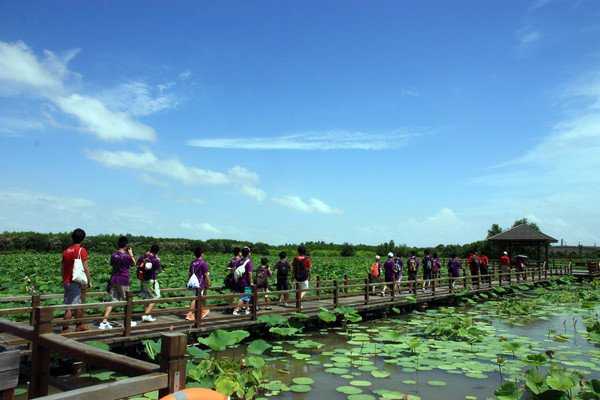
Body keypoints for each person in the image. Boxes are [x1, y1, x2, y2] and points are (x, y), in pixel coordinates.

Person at [100, 236, 135, 330]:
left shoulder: (113, 255)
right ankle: (128, 321)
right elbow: (133, 264)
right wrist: (131, 254)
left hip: (114, 279)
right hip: (123, 279)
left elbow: (112, 265)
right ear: (126, 245)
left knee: (113, 300)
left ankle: (104, 321)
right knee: (127, 301)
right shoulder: (127, 256)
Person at [61, 228, 91, 332]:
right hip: (75, 281)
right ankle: (66, 328)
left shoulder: (66, 251)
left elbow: (62, 267)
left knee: (74, 303)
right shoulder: (81, 250)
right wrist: (88, 280)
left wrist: (63, 279)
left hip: (66, 281)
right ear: (83, 238)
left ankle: (79, 325)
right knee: (70, 306)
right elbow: (85, 268)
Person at [137, 244, 161, 322]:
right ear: (157, 251)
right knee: (156, 297)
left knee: (146, 297)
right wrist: (158, 260)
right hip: (151, 280)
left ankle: (147, 314)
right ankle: (146, 315)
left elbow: (137, 264)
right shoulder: (155, 259)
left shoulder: (143, 257)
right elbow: (158, 270)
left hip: (142, 279)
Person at [186, 246, 210, 321]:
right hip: (200, 283)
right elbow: (206, 275)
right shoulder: (203, 263)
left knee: (200, 298)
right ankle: (190, 314)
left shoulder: (192, 263)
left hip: (193, 283)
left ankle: (203, 311)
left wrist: (189, 282)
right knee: (196, 299)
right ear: (202, 254)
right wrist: (208, 283)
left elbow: (189, 274)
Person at [233, 247, 253, 316]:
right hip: (246, 282)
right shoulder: (248, 262)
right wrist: (251, 282)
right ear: (248, 253)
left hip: (239, 281)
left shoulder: (239, 261)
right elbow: (250, 273)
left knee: (246, 296)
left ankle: (247, 310)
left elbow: (235, 269)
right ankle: (236, 310)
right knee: (244, 297)